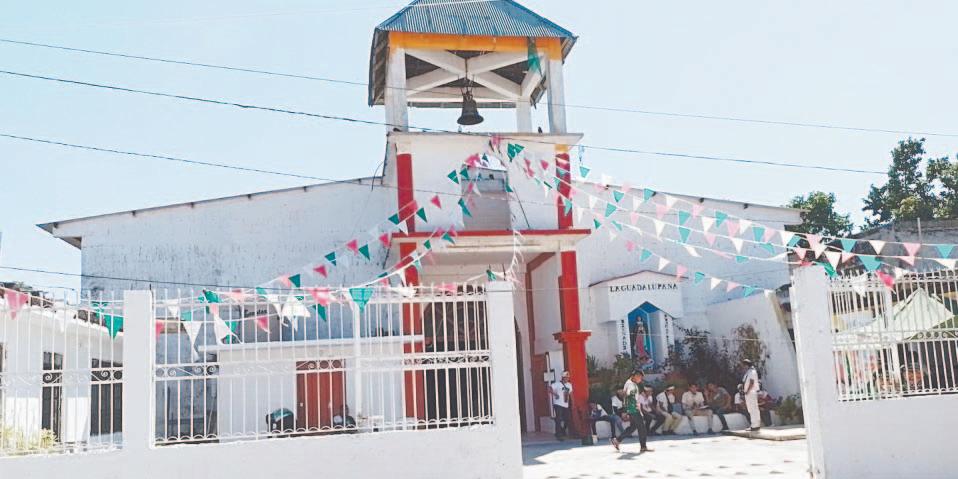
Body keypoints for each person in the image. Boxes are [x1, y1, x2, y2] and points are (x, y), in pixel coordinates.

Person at [612, 370, 653, 453]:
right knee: (642, 427)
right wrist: (632, 409)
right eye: (640, 377)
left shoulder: (630, 383)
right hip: (633, 409)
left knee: (633, 427)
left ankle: (617, 440)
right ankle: (643, 447)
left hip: (631, 408)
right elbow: (627, 397)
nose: (641, 380)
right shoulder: (631, 385)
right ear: (636, 376)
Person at [550, 371, 574, 440]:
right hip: (558, 404)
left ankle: (563, 430)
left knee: (568, 419)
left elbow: (571, 394)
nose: (567, 379)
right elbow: (549, 388)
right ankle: (558, 434)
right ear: (563, 377)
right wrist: (555, 394)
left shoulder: (569, 385)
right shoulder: (557, 384)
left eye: (568, 377)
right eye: (566, 377)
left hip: (565, 404)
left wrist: (573, 403)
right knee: (559, 419)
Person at [741, 359, 761, 431]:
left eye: (743, 365)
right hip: (749, 392)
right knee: (751, 409)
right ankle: (755, 425)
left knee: (753, 409)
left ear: (746, 365)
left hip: (751, 392)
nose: (743, 367)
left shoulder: (752, 372)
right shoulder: (749, 372)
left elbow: (752, 382)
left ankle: (755, 425)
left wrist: (747, 391)